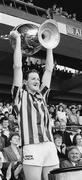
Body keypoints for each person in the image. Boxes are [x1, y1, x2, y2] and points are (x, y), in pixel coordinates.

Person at [10, 30, 59, 180]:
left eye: (37, 78)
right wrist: (18, 41)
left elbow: (49, 69)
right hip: (31, 147)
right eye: (33, 79)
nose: (37, 81)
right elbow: (17, 67)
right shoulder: (20, 95)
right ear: (25, 82)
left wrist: (49, 45)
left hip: (49, 145)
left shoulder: (42, 94)